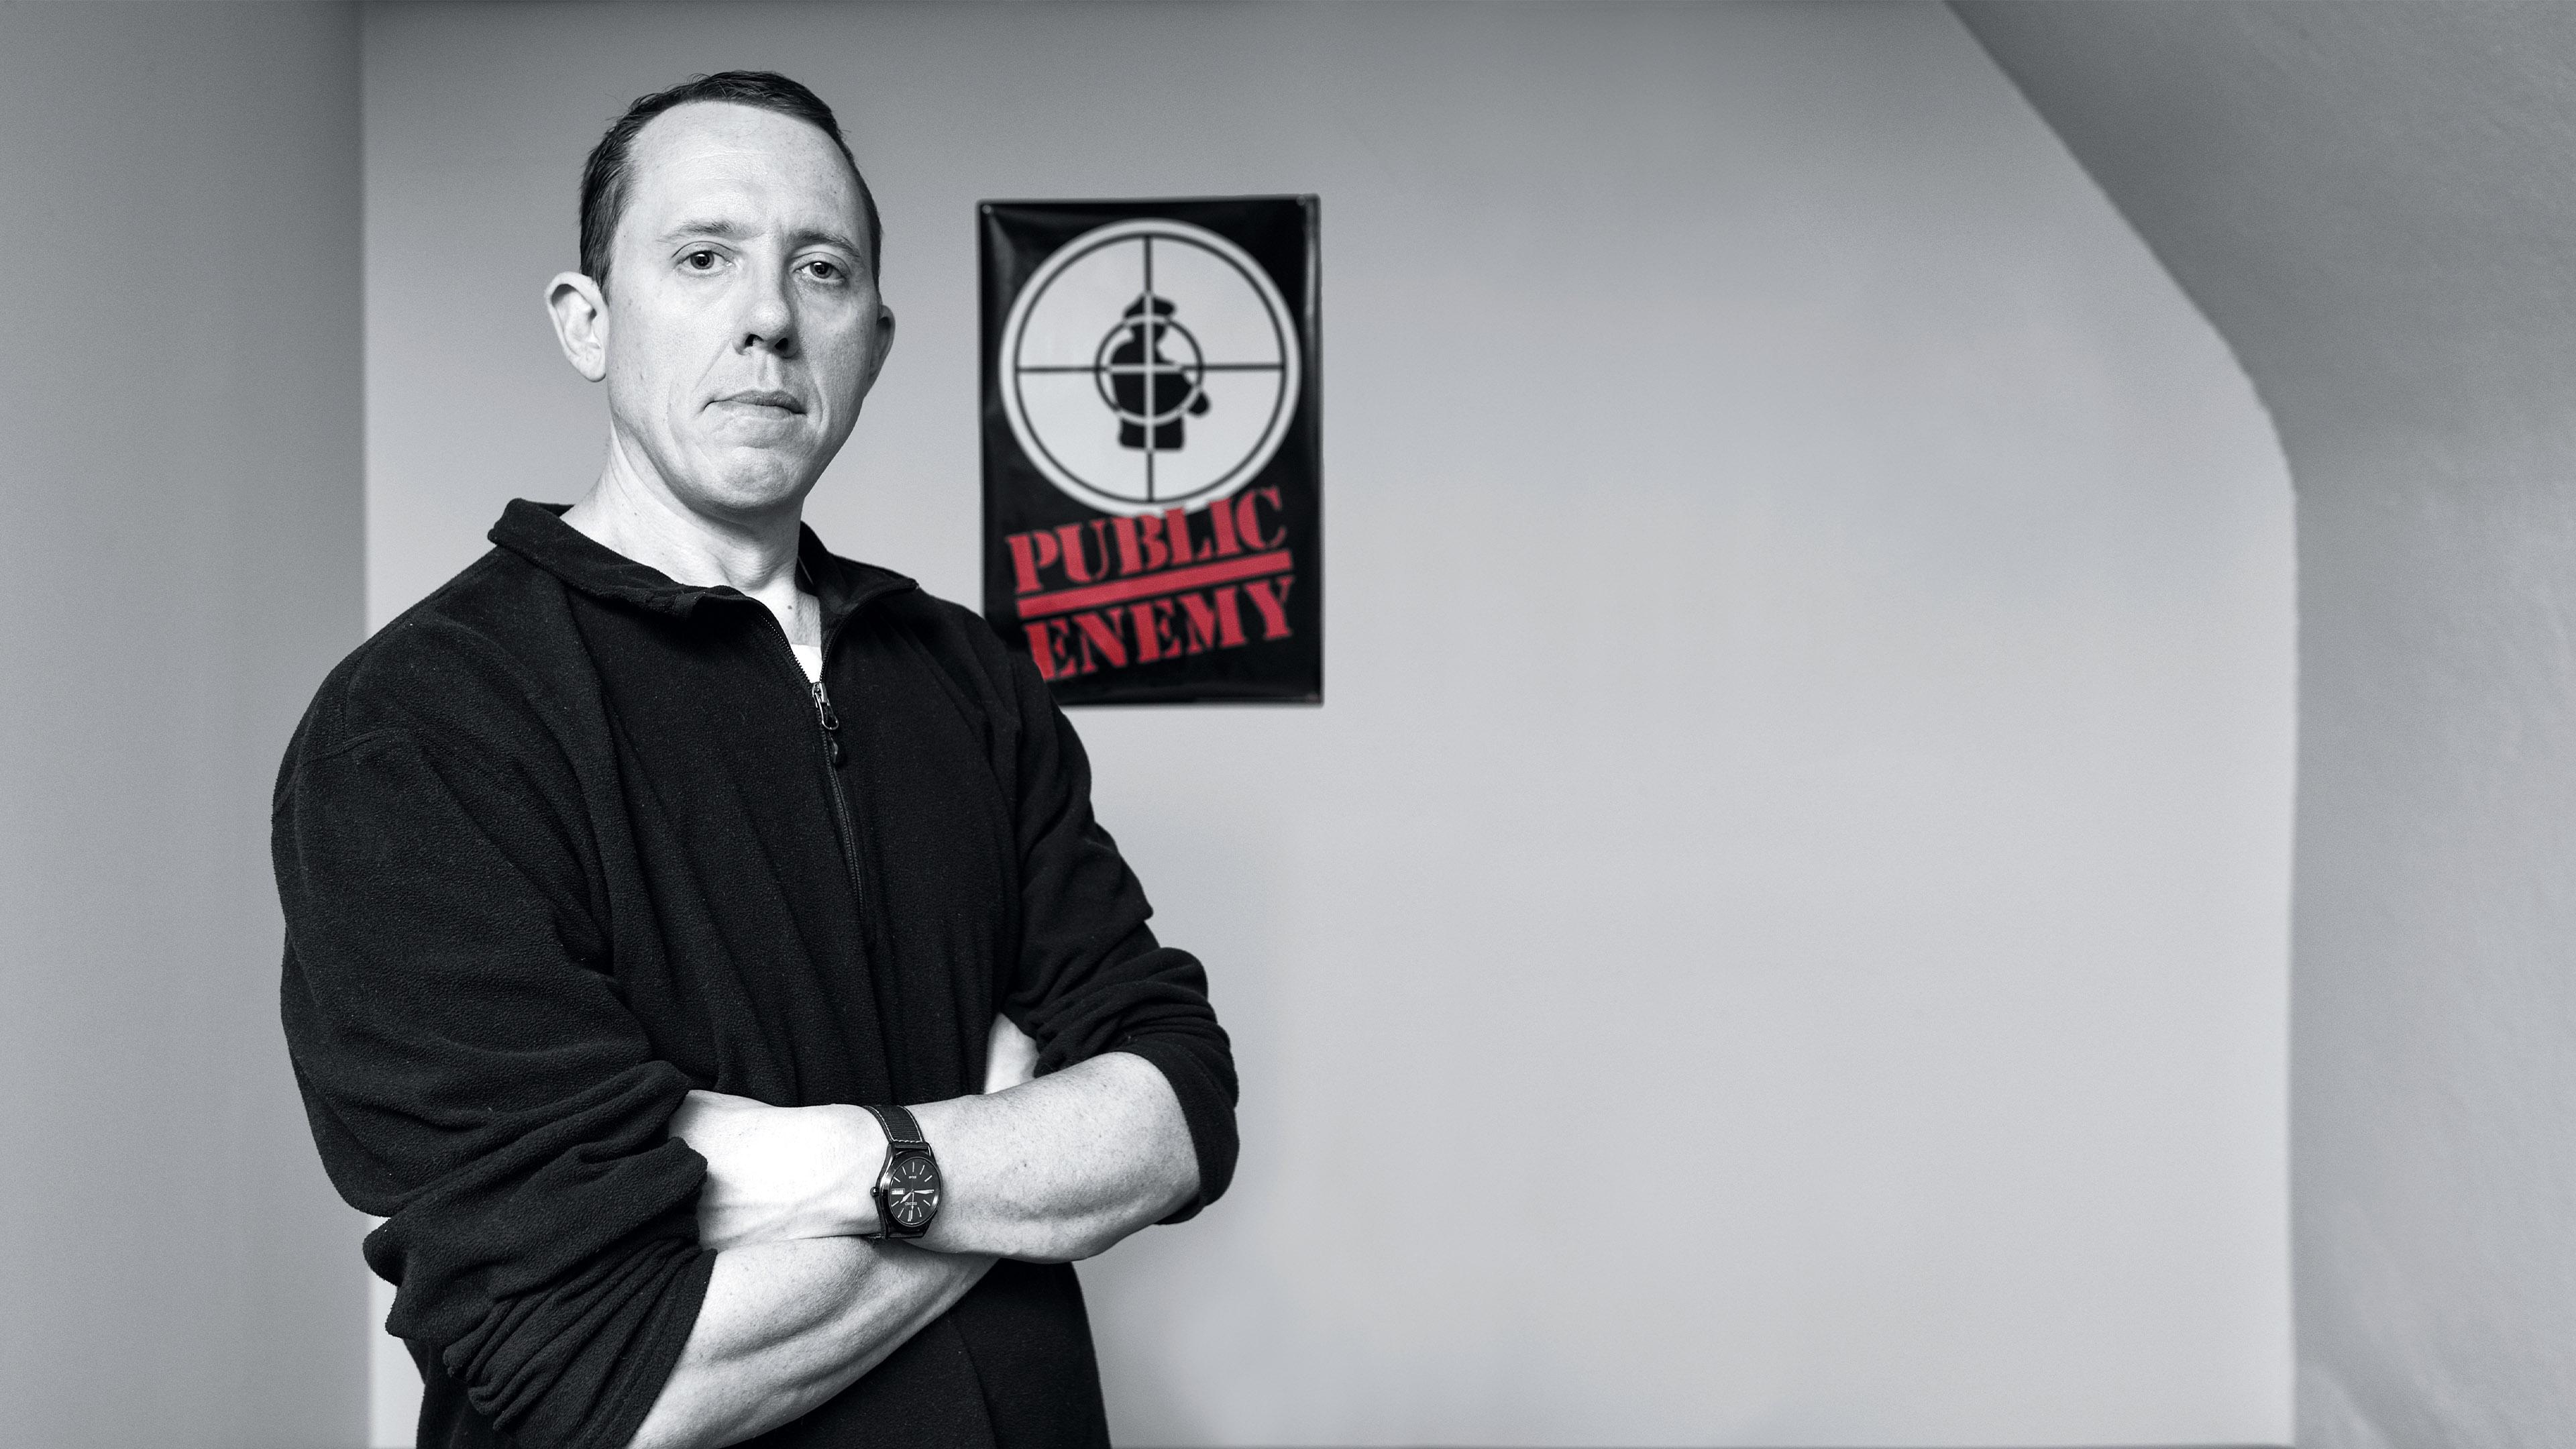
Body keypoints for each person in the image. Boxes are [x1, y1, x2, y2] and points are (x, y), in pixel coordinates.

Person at [273, 71, 1236, 1449]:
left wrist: (834, 1161)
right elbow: (599, 1382)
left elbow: (1178, 1105)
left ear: (876, 341)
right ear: (588, 323)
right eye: (704, 256)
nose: (770, 317)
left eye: (821, 269)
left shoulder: (966, 677)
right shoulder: (420, 729)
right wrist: (989, 1158)